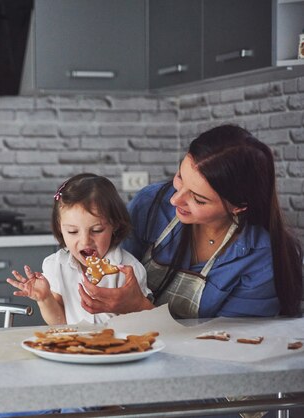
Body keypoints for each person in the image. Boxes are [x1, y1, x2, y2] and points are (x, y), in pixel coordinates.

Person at [79, 124, 303, 319]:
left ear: (239, 206)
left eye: (198, 199)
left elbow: (231, 344)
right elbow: (110, 262)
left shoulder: (260, 259)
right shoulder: (151, 204)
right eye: (179, 177)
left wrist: (138, 307)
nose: (175, 199)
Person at [7, 173, 151, 325]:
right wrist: (44, 299)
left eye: (96, 230)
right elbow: (59, 323)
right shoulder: (55, 266)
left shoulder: (130, 271)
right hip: (74, 347)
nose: (85, 241)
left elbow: (145, 323)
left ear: (114, 225)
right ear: (60, 228)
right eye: (72, 231)